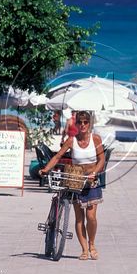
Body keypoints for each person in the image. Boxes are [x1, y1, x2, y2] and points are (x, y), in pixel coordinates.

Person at [40, 110, 105, 260]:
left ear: (89, 124)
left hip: (92, 181)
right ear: (76, 124)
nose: (82, 125)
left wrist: (94, 172)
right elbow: (57, 156)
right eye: (80, 122)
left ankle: (92, 244)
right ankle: (83, 249)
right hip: (75, 181)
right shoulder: (71, 140)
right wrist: (45, 169)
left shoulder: (95, 139)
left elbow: (101, 159)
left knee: (91, 216)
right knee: (79, 218)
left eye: (85, 122)